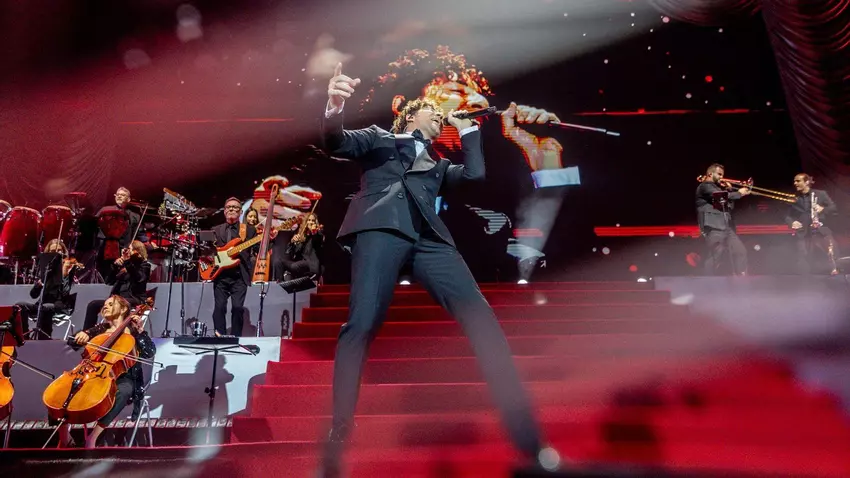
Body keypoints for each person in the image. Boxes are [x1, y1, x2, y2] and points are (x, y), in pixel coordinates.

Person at [318, 63, 558, 477]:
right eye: (433, 109)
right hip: (381, 228)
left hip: (430, 240)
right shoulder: (379, 139)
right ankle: (339, 429)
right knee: (362, 323)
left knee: (483, 321)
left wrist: (469, 131)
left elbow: (476, 175)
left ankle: (528, 438)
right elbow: (336, 142)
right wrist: (334, 105)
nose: (440, 115)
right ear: (411, 116)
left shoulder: (438, 164)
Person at [56, 295, 156, 448]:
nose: (105, 307)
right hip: (92, 374)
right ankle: (64, 437)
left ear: (123, 309)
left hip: (124, 377)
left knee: (123, 391)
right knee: (62, 388)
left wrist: (140, 331)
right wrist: (81, 336)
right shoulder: (100, 329)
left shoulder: (133, 331)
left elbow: (149, 352)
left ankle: (93, 437)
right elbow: (73, 344)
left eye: (110, 304)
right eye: (104, 305)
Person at [211, 197, 257, 336]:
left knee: (237, 308)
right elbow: (207, 252)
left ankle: (236, 338)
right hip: (221, 276)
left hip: (239, 276)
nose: (231, 209)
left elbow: (259, 248)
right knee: (219, 308)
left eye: (235, 207)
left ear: (241, 212)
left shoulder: (249, 230)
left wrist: (269, 238)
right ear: (224, 211)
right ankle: (219, 337)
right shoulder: (215, 230)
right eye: (228, 207)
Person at [695, 163, 750, 275]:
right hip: (712, 226)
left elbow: (729, 206)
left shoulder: (720, 189)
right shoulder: (704, 186)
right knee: (716, 254)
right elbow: (719, 197)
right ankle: (707, 280)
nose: (722, 177)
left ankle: (741, 277)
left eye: (722, 175)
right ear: (710, 174)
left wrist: (729, 190)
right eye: (719, 174)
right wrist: (739, 193)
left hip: (726, 227)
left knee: (740, 251)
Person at [83, 240, 151, 330]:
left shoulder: (144, 265)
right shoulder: (123, 265)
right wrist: (115, 267)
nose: (126, 252)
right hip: (117, 299)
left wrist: (127, 262)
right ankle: (87, 332)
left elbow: (139, 278)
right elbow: (109, 282)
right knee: (93, 305)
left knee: (117, 303)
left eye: (129, 250)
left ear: (137, 251)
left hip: (134, 299)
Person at [17, 239, 77, 339]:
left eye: (59, 251)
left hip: (60, 306)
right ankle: (24, 337)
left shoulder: (68, 267)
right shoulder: (47, 269)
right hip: (42, 304)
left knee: (46, 308)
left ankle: (44, 339)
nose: (56, 254)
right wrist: (39, 284)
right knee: (19, 306)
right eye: (53, 251)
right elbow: (33, 295)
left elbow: (64, 293)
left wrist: (64, 274)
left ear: (64, 252)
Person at [785, 173, 839, 275]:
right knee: (803, 260)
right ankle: (805, 281)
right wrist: (792, 222)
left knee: (830, 254)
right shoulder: (793, 197)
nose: (795, 183)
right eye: (794, 181)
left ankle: (833, 275)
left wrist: (822, 209)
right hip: (804, 233)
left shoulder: (821, 194)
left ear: (807, 182)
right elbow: (787, 216)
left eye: (798, 181)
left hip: (821, 231)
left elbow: (833, 208)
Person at [95, 187, 141, 280]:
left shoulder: (134, 216)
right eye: (117, 194)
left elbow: (135, 234)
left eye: (122, 195)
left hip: (124, 249)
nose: (119, 196)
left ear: (128, 199)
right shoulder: (105, 210)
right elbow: (95, 226)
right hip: (105, 247)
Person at [279, 213, 324, 280]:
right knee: (281, 264)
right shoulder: (302, 234)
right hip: (299, 263)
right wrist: (292, 242)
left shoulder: (319, 234)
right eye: (309, 220)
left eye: (313, 221)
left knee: (294, 266)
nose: (311, 222)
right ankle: (282, 284)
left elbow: (318, 241)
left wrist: (314, 232)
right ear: (305, 222)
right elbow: (289, 252)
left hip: (310, 264)